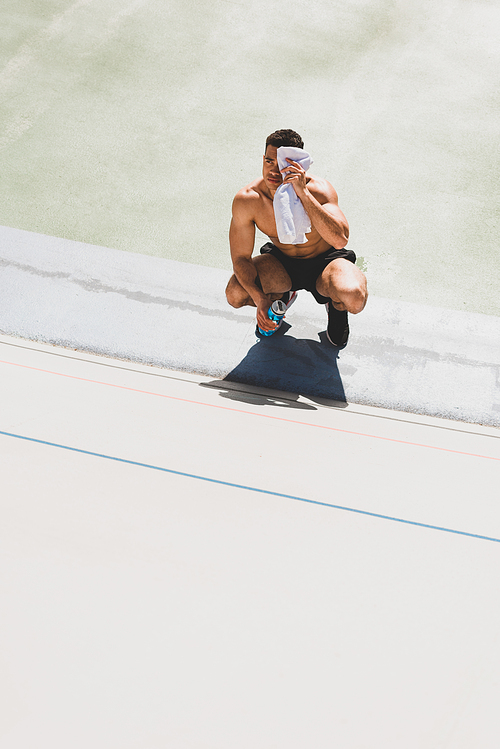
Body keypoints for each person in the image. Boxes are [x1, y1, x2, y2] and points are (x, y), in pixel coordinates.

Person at [225, 129, 368, 347]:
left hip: (326, 263)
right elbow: (241, 259)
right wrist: (261, 299)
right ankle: (279, 298)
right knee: (235, 293)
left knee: (354, 298)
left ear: (297, 165)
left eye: (281, 164)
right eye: (269, 161)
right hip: (281, 263)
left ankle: (335, 306)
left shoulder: (319, 190)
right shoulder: (249, 200)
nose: (273, 170)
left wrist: (303, 193)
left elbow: (340, 240)